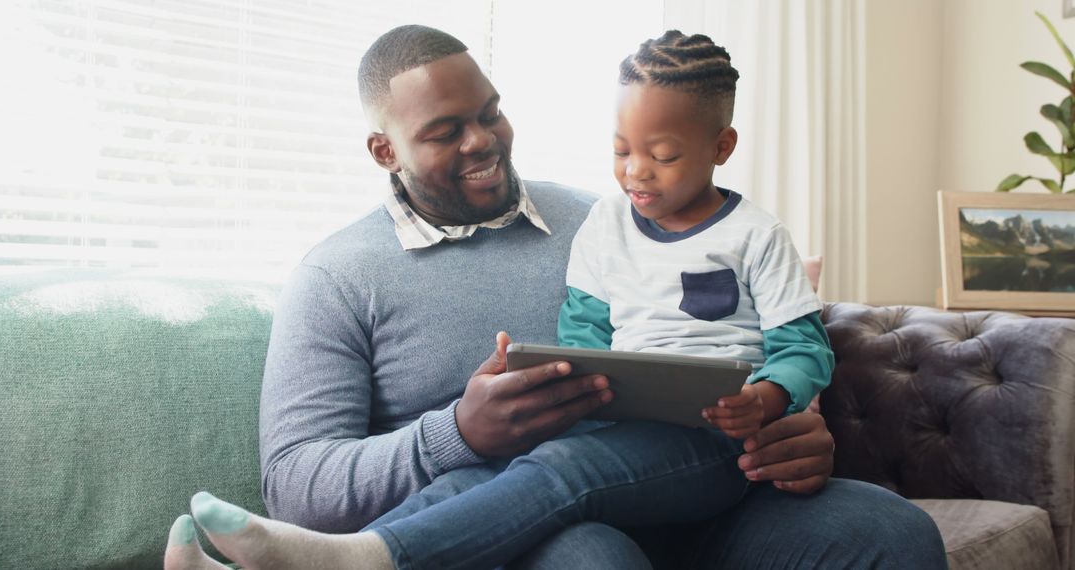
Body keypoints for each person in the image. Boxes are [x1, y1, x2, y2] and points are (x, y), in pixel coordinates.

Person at [162, 24, 948, 570]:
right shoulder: (338, 276)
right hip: (509, 517)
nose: (484, 140)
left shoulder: (611, 216)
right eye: (445, 131)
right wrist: (458, 433)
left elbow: (752, 332)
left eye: (491, 112)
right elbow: (296, 483)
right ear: (383, 150)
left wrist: (794, 422)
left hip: (697, 484)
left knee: (890, 531)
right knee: (589, 555)